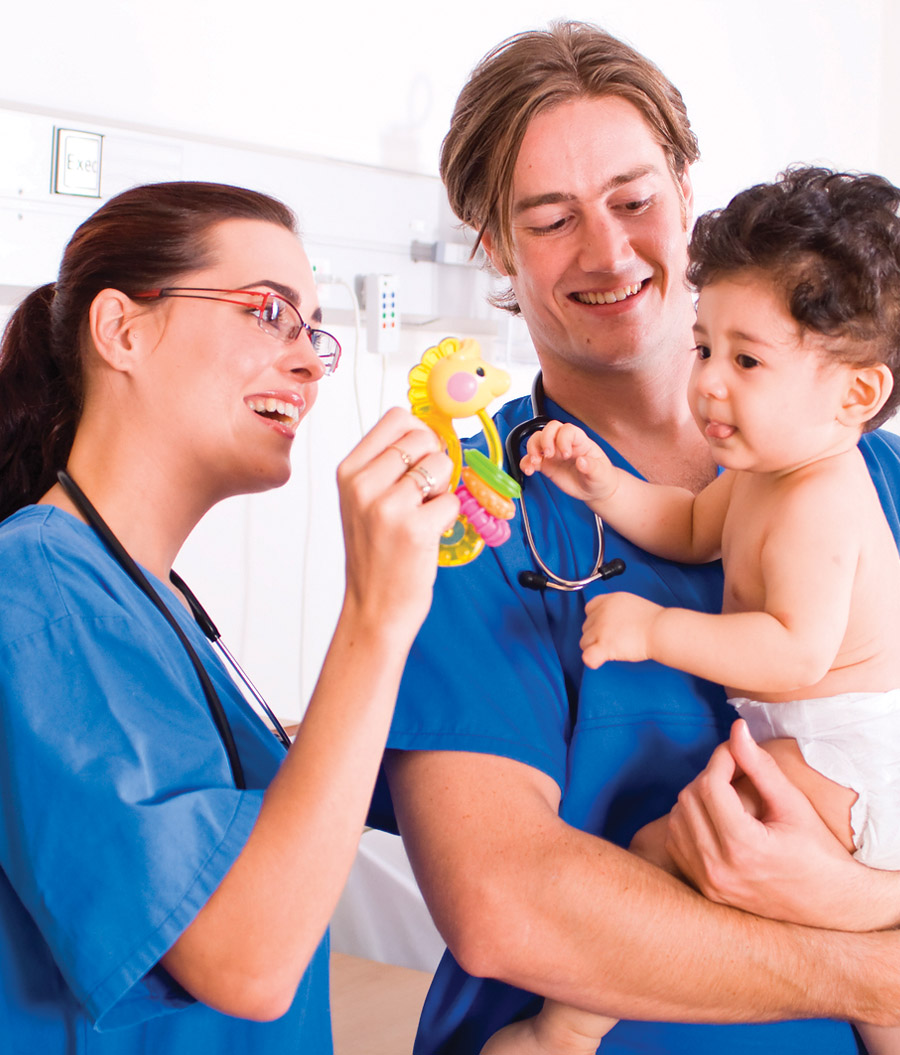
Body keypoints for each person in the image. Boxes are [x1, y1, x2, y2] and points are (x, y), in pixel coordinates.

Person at [367, 22, 900, 1055]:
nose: (608, 251)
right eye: (552, 218)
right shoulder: (473, 523)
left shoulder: (871, 478)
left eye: (633, 198)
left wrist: (835, 888)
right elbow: (503, 900)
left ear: (687, 192)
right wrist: (875, 957)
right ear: (495, 249)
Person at [0, 180, 459, 1053]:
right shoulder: (33, 591)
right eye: (267, 313)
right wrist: (378, 607)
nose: (313, 364)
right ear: (122, 330)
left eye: (312, 328)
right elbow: (247, 959)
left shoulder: (149, 597)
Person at [492, 166, 900, 1055]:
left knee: (672, 850)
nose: (709, 383)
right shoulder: (757, 472)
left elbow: (794, 651)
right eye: (705, 347)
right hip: (809, 737)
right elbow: (684, 528)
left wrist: (654, 629)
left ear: (855, 395)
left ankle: (564, 1030)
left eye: (747, 360)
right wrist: (601, 485)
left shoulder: (824, 501)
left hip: (850, 753)